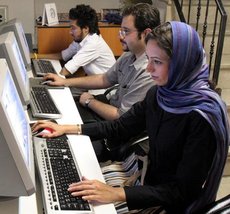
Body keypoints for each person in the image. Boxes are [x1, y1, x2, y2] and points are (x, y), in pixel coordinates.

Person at [32, 21, 229, 213]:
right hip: (150, 186)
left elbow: (181, 191)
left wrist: (118, 194)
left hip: (175, 204)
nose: (149, 69)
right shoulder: (160, 94)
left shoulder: (202, 117)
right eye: (149, 59)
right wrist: (68, 128)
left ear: (182, 64)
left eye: (157, 62)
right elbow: (120, 127)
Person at [43, 3, 161, 121]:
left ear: (146, 34)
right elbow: (105, 79)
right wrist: (64, 82)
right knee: (60, 109)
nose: (120, 37)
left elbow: (121, 117)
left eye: (126, 31)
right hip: (108, 104)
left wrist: (90, 101)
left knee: (63, 119)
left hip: (114, 122)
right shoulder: (129, 55)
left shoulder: (149, 71)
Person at [35, 4, 116, 77]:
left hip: (103, 90)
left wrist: (46, 79)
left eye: (73, 28)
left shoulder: (93, 44)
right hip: (92, 82)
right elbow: (62, 55)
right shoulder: (81, 39)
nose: (70, 32)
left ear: (86, 29)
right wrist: (35, 56)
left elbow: (66, 70)